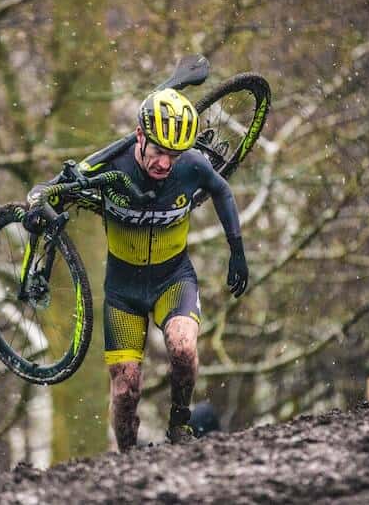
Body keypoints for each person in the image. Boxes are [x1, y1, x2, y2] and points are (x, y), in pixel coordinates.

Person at [28, 88, 248, 451]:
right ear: (140, 136)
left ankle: (181, 424)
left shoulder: (192, 165)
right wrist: (40, 205)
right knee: (126, 387)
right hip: (123, 292)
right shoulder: (110, 167)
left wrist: (236, 248)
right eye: (159, 152)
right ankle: (128, 460)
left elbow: (221, 191)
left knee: (183, 350)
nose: (165, 163)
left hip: (173, 279)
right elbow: (50, 192)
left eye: (173, 155)